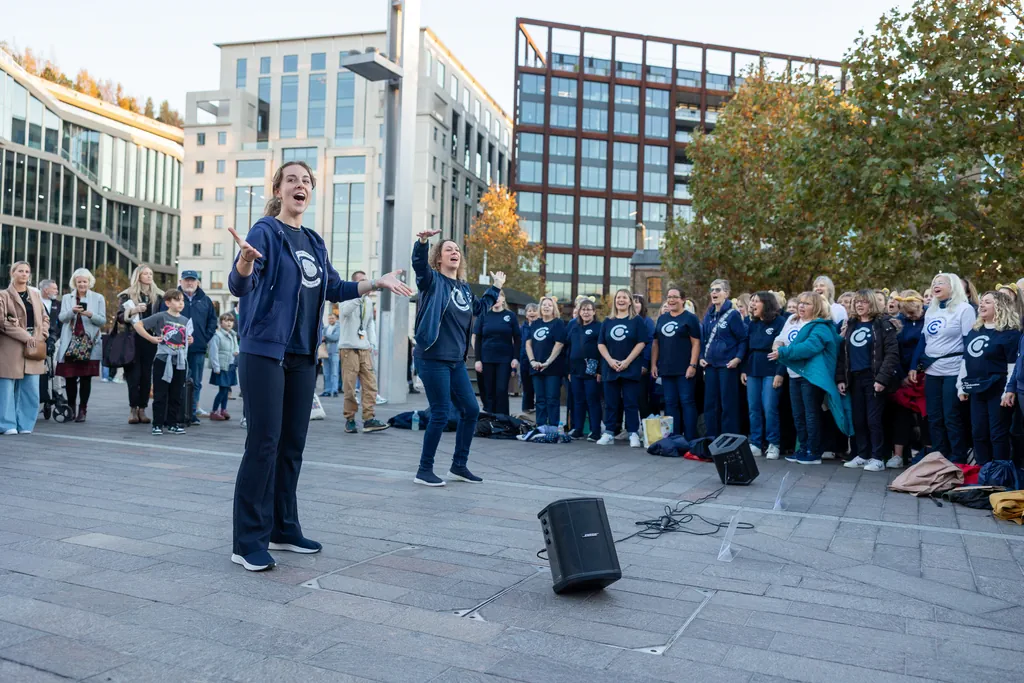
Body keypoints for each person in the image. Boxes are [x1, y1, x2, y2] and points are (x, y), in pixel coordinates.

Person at [227, 160, 412, 571]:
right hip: (264, 351)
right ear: (278, 189)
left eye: (306, 181)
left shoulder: (312, 239)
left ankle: (283, 527)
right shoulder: (265, 232)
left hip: (301, 356)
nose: (300, 185)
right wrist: (243, 263)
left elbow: (333, 286)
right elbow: (241, 284)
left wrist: (373, 283)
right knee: (264, 443)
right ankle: (246, 541)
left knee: (292, 445)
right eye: (292, 179)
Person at [411, 228, 503, 486]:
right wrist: (422, 242)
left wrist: (495, 288)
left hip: (455, 361)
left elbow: (479, 308)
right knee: (440, 412)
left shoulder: (462, 288)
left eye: (457, 250)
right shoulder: (431, 281)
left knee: (471, 410)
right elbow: (418, 265)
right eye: (449, 249)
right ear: (438, 258)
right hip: (432, 357)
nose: (455, 252)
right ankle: (424, 470)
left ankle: (458, 466)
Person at [770, 292, 852, 465]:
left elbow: (809, 347)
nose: (801, 306)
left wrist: (783, 352)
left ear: (816, 306)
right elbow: (780, 339)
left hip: (810, 377)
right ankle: (802, 448)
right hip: (793, 375)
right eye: (800, 302)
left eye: (806, 303)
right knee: (798, 414)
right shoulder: (791, 320)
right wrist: (777, 345)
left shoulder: (821, 326)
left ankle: (813, 452)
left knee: (811, 414)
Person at [910, 273, 976, 464]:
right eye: (933, 283)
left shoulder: (965, 309)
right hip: (932, 371)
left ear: (953, 286)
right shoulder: (931, 310)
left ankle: (958, 458)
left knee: (951, 416)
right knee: (934, 416)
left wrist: (966, 373)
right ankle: (939, 457)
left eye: (941, 283)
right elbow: (924, 339)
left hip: (953, 371)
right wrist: (914, 365)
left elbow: (968, 342)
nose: (935, 285)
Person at [836, 289, 901, 472]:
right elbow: (843, 354)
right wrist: (841, 378)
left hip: (874, 378)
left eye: (863, 301)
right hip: (854, 379)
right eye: (857, 301)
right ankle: (863, 455)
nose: (859, 305)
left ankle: (877, 457)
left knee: (874, 420)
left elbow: (891, 354)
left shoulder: (883, 324)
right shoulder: (851, 324)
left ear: (872, 303)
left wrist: (882, 378)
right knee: (858, 419)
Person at [957, 291, 1021, 466]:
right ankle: (982, 472)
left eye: (988, 302)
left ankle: (1000, 473)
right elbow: (966, 360)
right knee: (978, 432)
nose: (982, 305)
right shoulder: (975, 330)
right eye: (981, 302)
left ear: (1000, 306)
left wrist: (1009, 391)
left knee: (997, 433)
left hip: (998, 389)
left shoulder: (1011, 334)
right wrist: (961, 386)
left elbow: (1013, 366)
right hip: (976, 389)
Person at [134, 290, 193, 435]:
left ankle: (173, 423)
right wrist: (151, 338)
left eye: (182, 301)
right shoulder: (161, 316)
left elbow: (186, 338)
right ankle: (157, 424)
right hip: (163, 359)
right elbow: (138, 325)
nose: (181, 303)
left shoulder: (185, 320)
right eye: (177, 300)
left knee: (176, 393)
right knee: (160, 393)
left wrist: (190, 340)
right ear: (168, 303)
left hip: (179, 361)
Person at [596, 288, 650, 448]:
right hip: (610, 367)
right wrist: (610, 360)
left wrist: (627, 361)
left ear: (630, 301)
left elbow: (641, 343)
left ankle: (633, 432)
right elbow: (600, 344)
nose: (621, 300)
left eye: (624, 298)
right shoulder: (607, 321)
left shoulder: (637, 321)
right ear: (615, 301)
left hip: (630, 367)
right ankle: (609, 432)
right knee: (611, 403)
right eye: (618, 297)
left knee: (631, 402)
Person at [0, 262, 49, 435]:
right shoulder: (3, 295)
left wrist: (42, 335)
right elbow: (2, 322)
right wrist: (26, 337)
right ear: (12, 273)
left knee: (31, 388)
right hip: (10, 347)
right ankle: (7, 425)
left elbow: (45, 318)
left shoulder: (35, 295)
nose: (24, 274)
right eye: (20, 271)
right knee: (6, 387)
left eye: (27, 271)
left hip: (34, 346)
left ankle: (26, 424)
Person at [338, 271, 388, 434]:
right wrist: (359, 295)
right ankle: (350, 419)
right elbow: (345, 312)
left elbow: (369, 325)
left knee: (370, 384)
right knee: (350, 386)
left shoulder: (368, 302)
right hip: (348, 348)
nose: (367, 284)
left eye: (367, 281)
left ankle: (368, 418)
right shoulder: (346, 298)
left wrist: (372, 344)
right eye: (362, 282)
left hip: (364, 348)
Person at [652, 285, 702, 441]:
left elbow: (696, 343)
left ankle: (690, 437)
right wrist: (654, 364)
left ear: (683, 300)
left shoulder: (690, 318)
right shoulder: (662, 318)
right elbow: (655, 343)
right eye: (669, 297)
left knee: (687, 401)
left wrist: (692, 365)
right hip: (666, 368)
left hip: (684, 369)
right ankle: (674, 437)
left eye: (675, 297)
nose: (671, 300)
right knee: (670, 402)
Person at [55, 268, 105, 423]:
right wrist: (72, 311)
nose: (82, 284)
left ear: (89, 282)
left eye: (85, 281)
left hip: (89, 343)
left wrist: (90, 314)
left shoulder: (98, 298)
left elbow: (102, 320)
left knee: (85, 378)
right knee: (69, 378)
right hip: (71, 342)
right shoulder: (66, 298)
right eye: (79, 281)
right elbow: (62, 318)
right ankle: (71, 408)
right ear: (74, 283)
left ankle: (83, 409)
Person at [118, 264, 165, 425]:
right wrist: (133, 310)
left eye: (150, 273)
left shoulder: (159, 296)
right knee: (133, 376)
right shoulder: (127, 295)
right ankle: (133, 408)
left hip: (151, 339)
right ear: (138, 276)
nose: (149, 276)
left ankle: (142, 409)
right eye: (145, 273)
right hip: (132, 340)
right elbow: (119, 317)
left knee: (146, 376)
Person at [700, 279, 747, 439]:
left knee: (728, 404)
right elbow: (704, 339)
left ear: (726, 294)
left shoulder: (733, 315)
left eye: (718, 290)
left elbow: (743, 339)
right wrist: (701, 357)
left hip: (728, 366)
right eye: (712, 290)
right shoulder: (709, 315)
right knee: (710, 404)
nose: (714, 293)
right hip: (711, 366)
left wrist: (738, 358)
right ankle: (712, 437)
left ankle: (729, 438)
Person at [742, 291, 785, 458]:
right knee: (753, 408)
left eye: (756, 301)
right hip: (753, 369)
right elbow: (746, 348)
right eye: (751, 301)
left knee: (769, 407)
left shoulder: (779, 322)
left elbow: (782, 349)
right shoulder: (751, 323)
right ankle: (755, 443)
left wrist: (779, 373)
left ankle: (773, 443)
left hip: (771, 369)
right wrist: (744, 370)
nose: (752, 305)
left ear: (766, 304)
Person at [887, 291, 927, 468]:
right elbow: (894, 351)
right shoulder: (898, 323)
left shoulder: (929, 320)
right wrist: (902, 375)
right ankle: (898, 455)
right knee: (901, 415)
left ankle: (927, 452)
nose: (912, 315)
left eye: (915, 312)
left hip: (924, 373)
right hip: (903, 375)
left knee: (924, 415)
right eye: (907, 312)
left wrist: (918, 371)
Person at [179, 270, 218, 425]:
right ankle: (177, 412)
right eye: (187, 280)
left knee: (196, 382)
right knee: (177, 380)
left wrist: (204, 339)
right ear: (181, 281)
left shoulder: (205, 300)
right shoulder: (173, 298)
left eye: (192, 280)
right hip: (177, 348)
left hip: (198, 348)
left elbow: (212, 321)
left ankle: (192, 413)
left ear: (198, 283)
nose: (189, 283)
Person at [524, 296, 566, 439]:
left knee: (552, 398)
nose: (546, 307)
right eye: (544, 305)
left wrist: (548, 362)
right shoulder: (535, 323)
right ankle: (540, 426)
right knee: (540, 399)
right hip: (536, 367)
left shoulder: (558, 323)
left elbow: (559, 344)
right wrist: (532, 361)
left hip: (552, 368)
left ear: (554, 308)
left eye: (549, 305)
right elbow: (528, 344)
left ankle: (553, 426)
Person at [473, 291, 521, 416]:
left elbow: (517, 338)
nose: (496, 298)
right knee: (488, 390)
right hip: (486, 358)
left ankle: (503, 419)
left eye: (499, 295)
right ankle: (490, 419)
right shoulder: (483, 315)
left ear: (504, 299)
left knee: (501, 389)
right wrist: (478, 359)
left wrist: (516, 358)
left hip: (504, 359)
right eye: (494, 296)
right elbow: (477, 338)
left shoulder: (510, 316)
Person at [567, 298, 603, 441]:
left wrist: (600, 371)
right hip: (575, 370)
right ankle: (578, 429)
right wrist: (568, 370)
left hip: (592, 370)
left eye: (589, 309)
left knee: (592, 400)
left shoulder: (599, 327)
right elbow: (568, 348)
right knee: (578, 400)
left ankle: (595, 431)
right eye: (583, 309)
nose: (586, 312)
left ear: (594, 312)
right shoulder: (574, 327)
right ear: (579, 312)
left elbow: (602, 350)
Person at [35, 279, 60, 419]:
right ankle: (42, 395)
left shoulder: (57, 305)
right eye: (54, 289)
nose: (56, 291)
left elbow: (59, 323)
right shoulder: (36, 300)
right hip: (37, 340)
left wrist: (54, 338)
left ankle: (54, 394)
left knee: (53, 368)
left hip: (53, 339)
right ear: (45, 290)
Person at [208, 313, 240, 421]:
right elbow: (213, 353)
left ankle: (223, 409)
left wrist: (236, 351)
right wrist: (216, 367)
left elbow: (236, 347)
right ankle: (214, 411)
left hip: (230, 366)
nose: (229, 323)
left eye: (231, 321)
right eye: (226, 321)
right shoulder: (217, 336)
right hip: (222, 366)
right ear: (221, 322)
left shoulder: (233, 334)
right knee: (223, 390)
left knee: (226, 390)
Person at [633, 294, 658, 420]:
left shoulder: (647, 322)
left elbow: (650, 344)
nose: (635, 304)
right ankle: (629, 428)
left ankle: (646, 429)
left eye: (638, 302)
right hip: (626, 365)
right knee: (629, 399)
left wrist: (644, 363)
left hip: (642, 364)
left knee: (642, 398)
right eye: (633, 302)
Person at [519, 303, 539, 413]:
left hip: (537, 360)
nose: (532, 313)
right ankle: (526, 410)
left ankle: (538, 409)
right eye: (529, 311)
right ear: (526, 314)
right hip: (524, 360)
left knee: (537, 386)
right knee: (526, 387)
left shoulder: (540, 326)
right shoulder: (522, 328)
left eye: (534, 310)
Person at [320, 312, 340, 398]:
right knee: (326, 372)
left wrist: (325, 336)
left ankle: (334, 390)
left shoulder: (338, 327)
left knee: (334, 373)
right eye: (329, 318)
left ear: (336, 319)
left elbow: (335, 337)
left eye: (332, 318)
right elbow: (321, 336)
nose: (331, 320)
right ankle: (327, 390)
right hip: (325, 352)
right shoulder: (326, 328)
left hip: (334, 353)